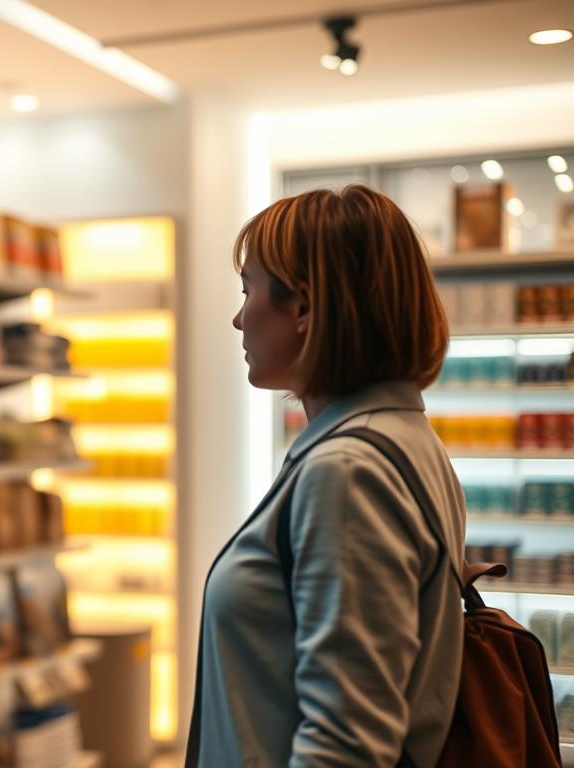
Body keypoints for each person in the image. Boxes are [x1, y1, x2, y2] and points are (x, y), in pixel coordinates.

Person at [186, 184, 467, 767]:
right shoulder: (404, 436)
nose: (238, 318)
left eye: (248, 290)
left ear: (305, 308)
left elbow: (345, 745)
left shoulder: (346, 473)